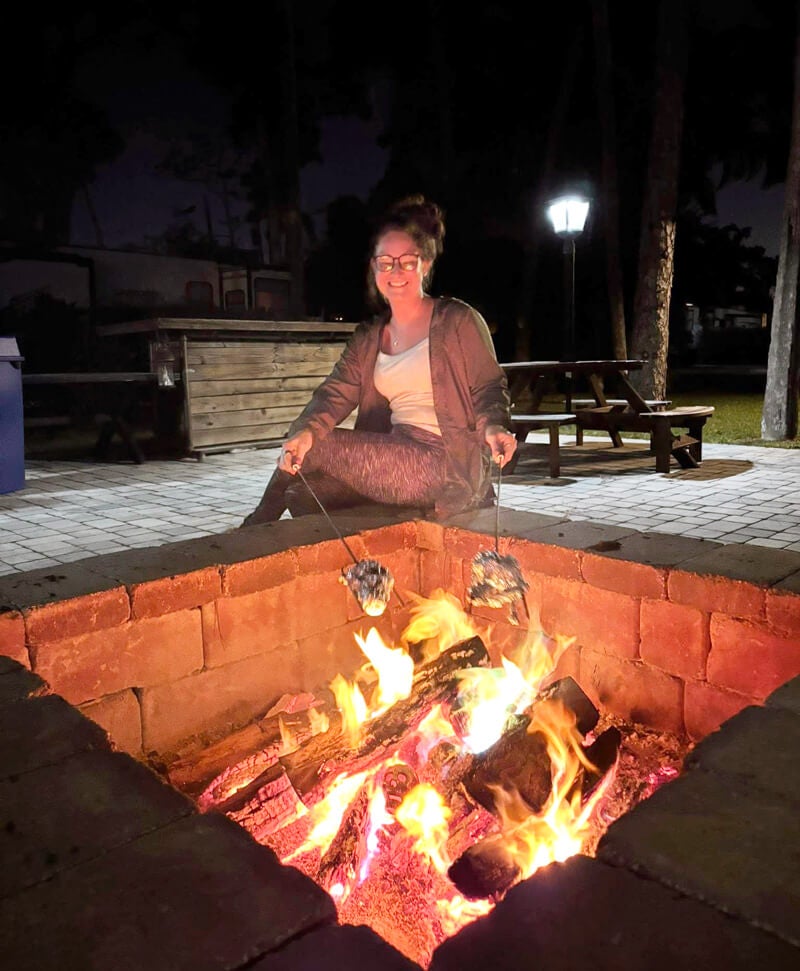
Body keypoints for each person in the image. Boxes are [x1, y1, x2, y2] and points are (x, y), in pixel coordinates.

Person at [241, 195, 517, 526]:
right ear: (374, 268)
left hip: (444, 461)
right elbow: (334, 393)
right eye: (385, 262)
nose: (395, 271)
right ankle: (372, 561)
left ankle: (252, 529)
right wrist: (304, 431)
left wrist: (493, 425)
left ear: (424, 264)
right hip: (395, 453)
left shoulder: (458, 320)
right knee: (300, 492)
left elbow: (488, 385)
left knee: (315, 445)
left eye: (407, 261)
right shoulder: (369, 336)